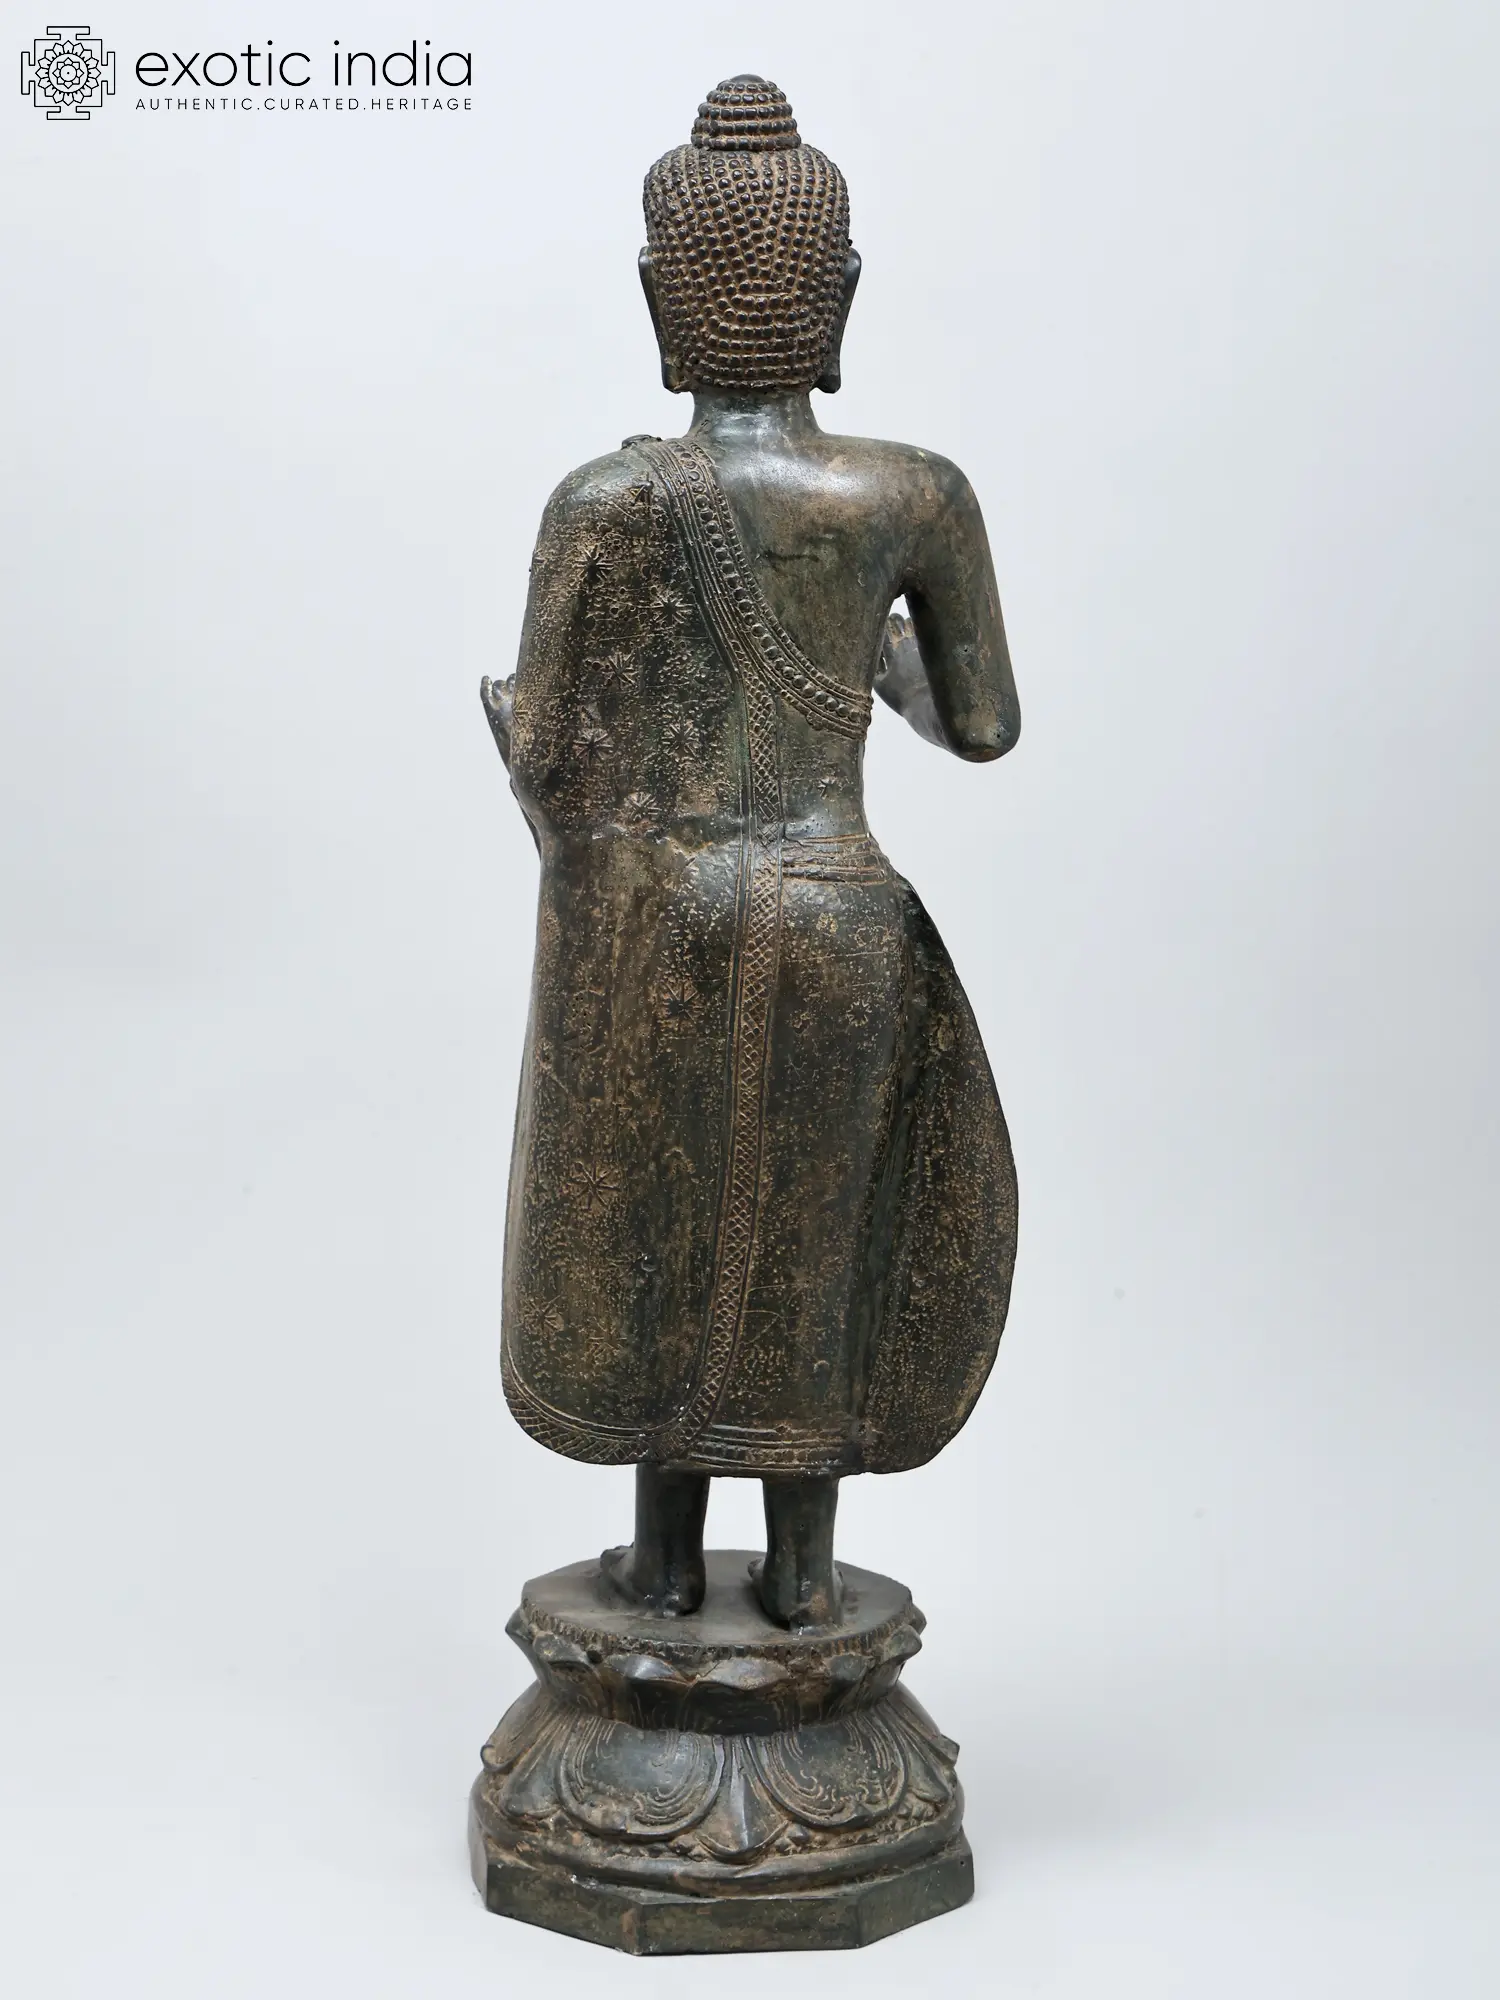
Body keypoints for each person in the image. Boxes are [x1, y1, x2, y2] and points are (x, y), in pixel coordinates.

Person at [482, 76, 1020, 1631]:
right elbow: (982, 725)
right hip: (835, 910)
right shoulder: (909, 496)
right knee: (804, 1247)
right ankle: (799, 1575)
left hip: (657, 920)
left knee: (660, 1232)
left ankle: (660, 1564)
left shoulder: (601, 501)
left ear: (662, 297)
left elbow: (550, 755)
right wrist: (867, 659)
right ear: (836, 294)